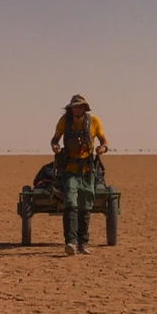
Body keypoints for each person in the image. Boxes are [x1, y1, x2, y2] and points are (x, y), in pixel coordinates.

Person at [49, 94, 108, 255]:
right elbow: (55, 139)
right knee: (70, 204)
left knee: (86, 206)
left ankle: (83, 243)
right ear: (71, 108)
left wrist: (102, 148)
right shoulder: (64, 122)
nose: (78, 109)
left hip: (88, 171)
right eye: (75, 106)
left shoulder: (94, 121)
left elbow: (104, 141)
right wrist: (55, 146)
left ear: (85, 108)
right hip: (70, 169)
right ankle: (71, 242)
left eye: (80, 106)